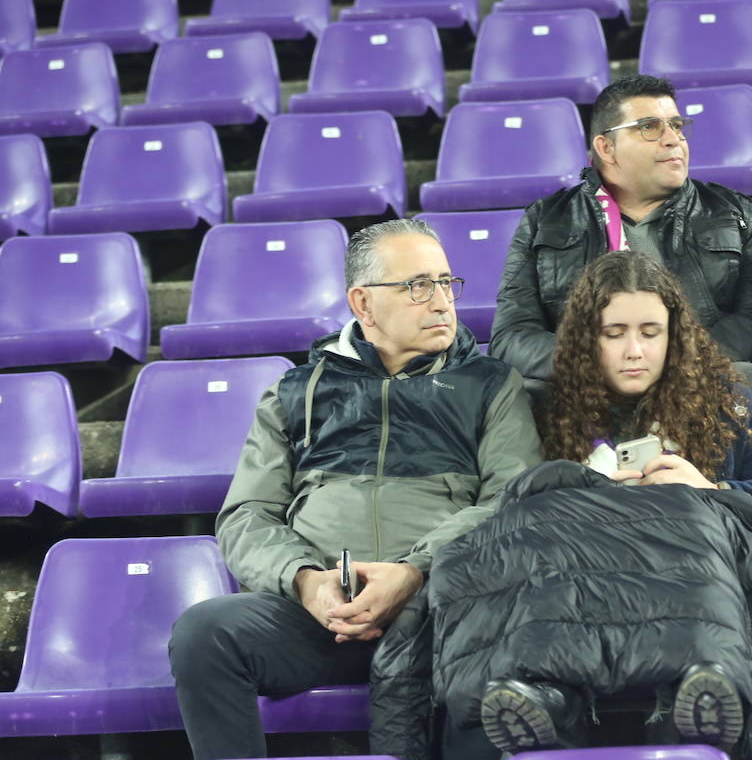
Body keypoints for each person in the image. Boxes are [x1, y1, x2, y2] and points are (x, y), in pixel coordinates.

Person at [370, 252, 752, 760]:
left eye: (651, 332)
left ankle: (687, 701)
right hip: (575, 607)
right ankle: (547, 700)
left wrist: (712, 492)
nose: (635, 351)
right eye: (615, 333)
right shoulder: (543, 412)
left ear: (675, 335)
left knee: (693, 516)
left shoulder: (730, 404)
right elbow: (507, 524)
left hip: (691, 600)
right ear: (588, 339)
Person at [169, 219, 543, 760]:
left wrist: (415, 571)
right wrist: (304, 582)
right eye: (418, 285)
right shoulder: (297, 391)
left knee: (504, 638)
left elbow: (511, 500)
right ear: (363, 304)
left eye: (446, 282)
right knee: (206, 632)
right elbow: (245, 515)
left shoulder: (490, 384)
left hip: (443, 612)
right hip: (325, 616)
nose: (441, 301)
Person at [489, 74, 752, 408]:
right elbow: (511, 337)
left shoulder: (732, 212)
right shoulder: (546, 219)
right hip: (589, 391)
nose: (674, 140)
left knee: (748, 379)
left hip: (698, 379)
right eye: (650, 127)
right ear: (606, 147)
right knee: (519, 394)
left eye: (677, 125)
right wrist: (601, 361)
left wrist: (669, 358)